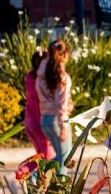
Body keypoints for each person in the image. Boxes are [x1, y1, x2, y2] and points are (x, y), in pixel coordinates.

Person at [36, 39, 74, 175]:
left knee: (59, 158)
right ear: (64, 55)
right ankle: (61, 193)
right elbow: (61, 104)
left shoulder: (42, 76)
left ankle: (35, 176)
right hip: (57, 121)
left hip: (44, 119)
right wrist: (64, 126)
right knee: (65, 159)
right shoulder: (62, 77)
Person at [25, 50, 51, 158]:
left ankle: (21, 173)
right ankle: (22, 173)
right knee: (47, 156)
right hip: (39, 124)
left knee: (40, 156)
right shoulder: (41, 82)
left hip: (29, 121)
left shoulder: (29, 77)